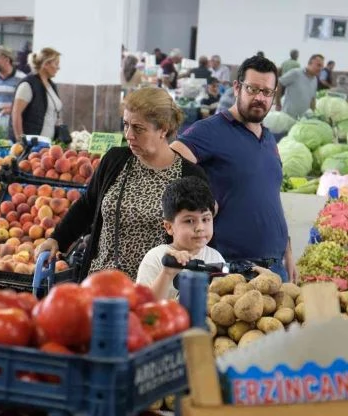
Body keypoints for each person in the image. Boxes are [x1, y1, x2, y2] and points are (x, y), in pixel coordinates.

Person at [34, 87, 206, 281]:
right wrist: (57, 238)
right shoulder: (115, 160)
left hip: (154, 290)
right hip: (100, 281)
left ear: (163, 129)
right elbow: (87, 206)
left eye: (138, 128)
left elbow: (199, 235)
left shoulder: (190, 176)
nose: (129, 135)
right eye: (126, 125)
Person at [171, 55, 294, 281]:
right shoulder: (211, 130)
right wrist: (202, 202)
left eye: (266, 92)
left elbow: (270, 196)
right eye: (252, 89)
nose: (259, 98)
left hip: (275, 267)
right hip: (231, 269)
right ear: (237, 88)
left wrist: (287, 249)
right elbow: (171, 162)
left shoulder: (268, 139)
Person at [137, 176, 223, 300]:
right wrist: (167, 274)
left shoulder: (216, 258)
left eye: (206, 219)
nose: (200, 227)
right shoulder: (156, 257)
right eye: (189, 221)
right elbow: (144, 306)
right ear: (169, 227)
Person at [11, 47, 64, 141]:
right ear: (46, 64)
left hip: (47, 145)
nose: (58, 68)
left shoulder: (51, 85)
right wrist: (21, 141)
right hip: (32, 145)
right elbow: (16, 113)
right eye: (56, 64)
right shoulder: (28, 84)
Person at [276, 54, 323, 118]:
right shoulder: (296, 73)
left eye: (322, 66)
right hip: (288, 116)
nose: (320, 68)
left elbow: (313, 99)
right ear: (310, 63)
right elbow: (279, 82)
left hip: (303, 119)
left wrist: (313, 115)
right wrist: (278, 104)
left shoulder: (315, 79)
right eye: (318, 65)